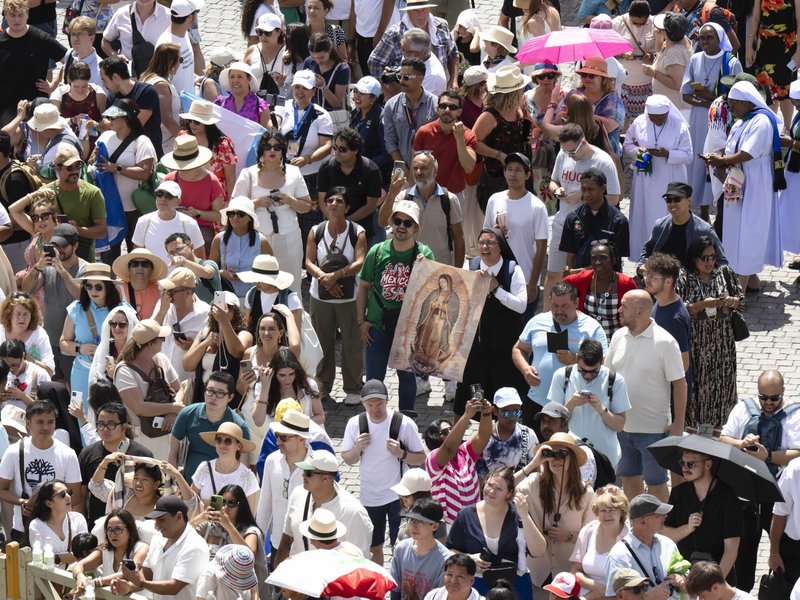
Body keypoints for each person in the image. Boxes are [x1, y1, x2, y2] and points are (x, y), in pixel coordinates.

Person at [720, 370, 800, 591]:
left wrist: (769, 457)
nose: (768, 403)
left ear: (783, 392)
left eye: (774, 398)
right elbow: (723, 438)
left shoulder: (795, 415)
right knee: (743, 555)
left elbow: (798, 453)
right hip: (745, 493)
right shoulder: (744, 409)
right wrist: (741, 444)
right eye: (763, 397)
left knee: (784, 552)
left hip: (778, 493)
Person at [606, 289, 687, 503]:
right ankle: (635, 519)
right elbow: (607, 376)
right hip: (622, 428)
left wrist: (678, 424)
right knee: (629, 478)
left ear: (640, 312)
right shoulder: (618, 336)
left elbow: (680, 384)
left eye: (624, 306)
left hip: (653, 431)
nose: (619, 310)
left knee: (656, 483)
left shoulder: (665, 342)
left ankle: (661, 523)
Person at [704, 80, 785, 294]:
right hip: (738, 181)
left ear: (745, 101)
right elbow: (732, 148)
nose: (731, 109)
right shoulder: (742, 122)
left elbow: (748, 153)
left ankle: (738, 292)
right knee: (735, 229)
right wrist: (721, 161)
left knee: (749, 230)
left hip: (756, 183)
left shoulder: (762, 121)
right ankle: (751, 281)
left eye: (733, 104)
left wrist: (723, 161)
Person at [356, 201, 434, 416]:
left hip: (408, 329)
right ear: (391, 222)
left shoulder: (425, 253)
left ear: (415, 227)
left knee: (407, 377)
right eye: (398, 221)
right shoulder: (377, 251)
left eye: (407, 223)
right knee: (374, 380)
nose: (401, 226)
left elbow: (432, 293)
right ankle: (372, 420)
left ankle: (407, 420)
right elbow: (363, 286)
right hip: (377, 325)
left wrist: (424, 269)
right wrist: (361, 321)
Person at [341, 379, 426, 564]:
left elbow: (421, 458)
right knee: (373, 548)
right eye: (369, 404)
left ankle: (398, 579)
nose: (375, 409)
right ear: (363, 403)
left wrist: (401, 453)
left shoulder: (403, 423)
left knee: (403, 545)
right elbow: (347, 459)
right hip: (370, 497)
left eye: (379, 403)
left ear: (387, 400)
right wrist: (357, 448)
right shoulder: (356, 424)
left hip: (399, 497)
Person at [453, 228, 528, 418]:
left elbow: (521, 306)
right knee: (470, 394)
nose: (485, 247)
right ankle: (459, 432)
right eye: (482, 243)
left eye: (491, 243)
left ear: (500, 247)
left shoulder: (513, 270)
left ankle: (501, 430)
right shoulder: (472, 266)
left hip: (504, 350)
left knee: (502, 395)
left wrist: (496, 289)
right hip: (476, 350)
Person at [544, 125, 621, 309]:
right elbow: (553, 181)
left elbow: (614, 198)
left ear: (584, 142)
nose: (569, 155)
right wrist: (557, 190)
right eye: (565, 151)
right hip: (562, 222)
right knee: (553, 273)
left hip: (589, 229)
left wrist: (584, 195)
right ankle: (546, 317)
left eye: (572, 151)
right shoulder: (564, 154)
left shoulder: (602, 161)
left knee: (584, 276)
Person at [511, 281, 608, 427]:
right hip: (537, 402)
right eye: (555, 305)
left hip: (574, 406)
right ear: (550, 300)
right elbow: (518, 349)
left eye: (565, 306)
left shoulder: (592, 328)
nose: (559, 311)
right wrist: (526, 370)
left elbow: (603, 363)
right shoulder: (537, 321)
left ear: (576, 302)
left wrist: (575, 360)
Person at [305, 186, 367, 404]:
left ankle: (354, 387)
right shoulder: (316, 230)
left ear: (347, 207)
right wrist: (325, 278)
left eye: (339, 201)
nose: (333, 204)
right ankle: (322, 386)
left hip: (350, 298)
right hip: (320, 297)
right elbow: (308, 262)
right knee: (322, 342)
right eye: (330, 200)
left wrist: (336, 276)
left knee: (352, 342)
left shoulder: (357, 231)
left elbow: (360, 261)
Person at [232, 130, 313, 293]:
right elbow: (234, 207)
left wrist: (290, 200)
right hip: (258, 238)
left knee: (291, 285)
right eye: (268, 147)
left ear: (283, 151)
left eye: (277, 147)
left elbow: (307, 206)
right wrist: (257, 203)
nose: (272, 151)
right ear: (262, 150)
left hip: (289, 237)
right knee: (260, 285)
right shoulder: (248, 174)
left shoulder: (294, 172)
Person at [446, 466, 545, 598]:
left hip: (514, 587)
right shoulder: (465, 515)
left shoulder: (518, 513)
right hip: (477, 586)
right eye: (489, 485)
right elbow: (449, 550)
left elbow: (539, 551)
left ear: (509, 493)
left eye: (499, 488)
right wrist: (468, 558)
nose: (491, 491)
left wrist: (525, 515)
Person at [675, 238, 743, 428]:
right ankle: (697, 423)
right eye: (704, 258)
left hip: (723, 338)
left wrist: (731, 301)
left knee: (724, 379)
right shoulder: (684, 278)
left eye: (713, 257)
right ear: (694, 258)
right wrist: (702, 305)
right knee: (700, 380)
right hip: (698, 340)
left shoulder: (725, 273)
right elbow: (679, 309)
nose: (710, 262)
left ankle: (724, 423)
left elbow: (741, 300)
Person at [516, 433, 596, 591]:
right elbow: (503, 490)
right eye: (550, 454)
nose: (556, 459)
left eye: (562, 454)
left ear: (572, 459)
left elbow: (592, 537)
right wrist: (533, 464)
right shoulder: (534, 482)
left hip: (568, 575)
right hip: (537, 571)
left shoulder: (586, 493)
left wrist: (568, 536)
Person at [681, 23, 742, 216]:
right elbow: (685, 94)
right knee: (700, 164)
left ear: (720, 39)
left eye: (710, 37)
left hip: (723, 121)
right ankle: (704, 210)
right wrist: (710, 103)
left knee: (720, 162)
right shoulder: (695, 59)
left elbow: (738, 96)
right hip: (699, 120)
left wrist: (709, 97)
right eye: (702, 38)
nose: (705, 41)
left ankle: (724, 211)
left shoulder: (731, 63)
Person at [0, 400, 82, 543]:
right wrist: (23, 502)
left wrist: (48, 507)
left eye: (50, 422)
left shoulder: (67, 454)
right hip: (23, 528)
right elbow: (2, 489)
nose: (46, 427)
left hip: (57, 530)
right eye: (40, 422)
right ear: (28, 423)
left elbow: (76, 496)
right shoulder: (14, 452)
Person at [623, 95, 693, 258]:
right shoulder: (640, 122)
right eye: (653, 118)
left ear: (668, 113)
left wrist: (668, 154)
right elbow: (627, 144)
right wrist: (640, 152)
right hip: (645, 181)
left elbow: (688, 155)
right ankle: (645, 257)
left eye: (661, 118)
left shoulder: (679, 126)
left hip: (670, 178)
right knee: (644, 218)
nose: (658, 121)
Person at [277, 448, 374, 561]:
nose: (303, 475)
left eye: (308, 473)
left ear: (325, 478)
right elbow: (286, 540)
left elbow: (361, 561)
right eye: (303, 470)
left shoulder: (355, 513)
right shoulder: (298, 493)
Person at [483, 153, 548, 319]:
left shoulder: (537, 206)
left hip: (524, 278)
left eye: (518, 170)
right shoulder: (494, 200)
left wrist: (533, 283)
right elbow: (484, 238)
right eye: (509, 169)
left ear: (527, 175)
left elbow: (541, 248)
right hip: (497, 276)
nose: (513, 174)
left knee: (522, 327)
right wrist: (496, 233)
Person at [19, 223, 86, 383]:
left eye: (63, 246)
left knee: (74, 388)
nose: (59, 250)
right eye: (55, 246)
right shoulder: (47, 267)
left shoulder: (85, 268)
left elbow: (81, 296)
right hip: (50, 341)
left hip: (72, 342)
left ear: (75, 246)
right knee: (54, 387)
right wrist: (37, 267)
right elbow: (26, 291)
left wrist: (62, 271)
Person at [548, 339, 629, 468]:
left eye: (594, 372)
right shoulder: (561, 376)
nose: (588, 375)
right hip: (570, 457)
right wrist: (571, 404)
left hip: (606, 459)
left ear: (601, 361)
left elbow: (619, 425)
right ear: (577, 358)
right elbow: (553, 423)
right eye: (583, 370)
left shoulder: (615, 380)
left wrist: (600, 409)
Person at [663, 449, 742, 581]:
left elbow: (731, 549)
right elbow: (665, 535)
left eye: (691, 464)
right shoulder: (678, 493)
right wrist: (687, 528)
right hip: (683, 576)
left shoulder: (728, 497)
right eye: (682, 463)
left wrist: (716, 583)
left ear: (708, 464)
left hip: (716, 576)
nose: (685, 468)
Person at [94, 100, 157, 263]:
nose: (109, 121)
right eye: (108, 118)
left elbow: (144, 172)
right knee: (109, 258)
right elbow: (94, 163)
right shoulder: (105, 137)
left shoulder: (142, 141)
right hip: (109, 207)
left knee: (135, 256)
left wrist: (116, 168)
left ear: (126, 118)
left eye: (113, 118)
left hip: (133, 209)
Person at [112, 495, 209, 600]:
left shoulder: (195, 546)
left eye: (161, 520)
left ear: (179, 516)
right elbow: (147, 573)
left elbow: (174, 587)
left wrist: (141, 583)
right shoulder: (157, 538)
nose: (157, 525)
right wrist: (129, 586)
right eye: (156, 520)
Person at [380, 150, 465, 268]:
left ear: (435, 172)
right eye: (415, 168)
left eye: (424, 168)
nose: (418, 172)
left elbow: (459, 238)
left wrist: (457, 272)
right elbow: (383, 222)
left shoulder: (449, 200)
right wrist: (392, 193)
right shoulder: (403, 197)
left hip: (439, 268)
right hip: (408, 267)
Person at [114, 319, 185, 461]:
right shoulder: (124, 371)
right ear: (150, 344)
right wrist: (172, 407)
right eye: (161, 339)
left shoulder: (162, 359)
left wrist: (172, 413)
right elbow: (139, 408)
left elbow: (179, 389)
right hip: (141, 437)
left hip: (169, 432)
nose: (164, 341)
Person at [78, 402, 153, 528]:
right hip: (97, 525)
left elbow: (150, 494)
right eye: (101, 424)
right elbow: (82, 494)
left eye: (111, 424)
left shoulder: (142, 455)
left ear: (124, 426)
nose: (105, 429)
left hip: (133, 525)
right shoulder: (88, 453)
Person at [168, 372, 251, 484]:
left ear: (230, 397)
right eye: (210, 391)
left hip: (224, 486)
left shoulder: (239, 426)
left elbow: (243, 466)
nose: (213, 397)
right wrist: (173, 481)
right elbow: (173, 452)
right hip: (189, 483)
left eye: (220, 393)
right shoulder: (187, 414)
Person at [190, 483, 268, 599]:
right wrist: (200, 518)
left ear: (241, 506)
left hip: (237, 592)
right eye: (222, 502)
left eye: (232, 503)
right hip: (206, 586)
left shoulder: (250, 531)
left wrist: (228, 526)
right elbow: (184, 536)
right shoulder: (209, 527)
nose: (225, 507)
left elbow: (249, 554)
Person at [60, 263, 123, 405]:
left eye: (98, 287)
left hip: (112, 374)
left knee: (111, 414)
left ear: (108, 287)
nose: (93, 290)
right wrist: (80, 348)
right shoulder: (76, 309)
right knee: (80, 413)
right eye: (88, 286)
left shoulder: (123, 310)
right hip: (82, 373)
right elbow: (63, 343)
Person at [255, 409, 313, 562]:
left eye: (284, 437)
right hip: (277, 544)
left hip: (307, 548)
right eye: (277, 435)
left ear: (301, 438)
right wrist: (257, 542)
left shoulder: (317, 466)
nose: (277, 442)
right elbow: (265, 504)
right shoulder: (271, 461)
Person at [604, 494, 688, 599]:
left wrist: (681, 579)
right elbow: (612, 598)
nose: (665, 516)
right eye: (658, 515)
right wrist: (646, 597)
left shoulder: (668, 544)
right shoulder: (619, 555)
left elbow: (687, 584)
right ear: (643, 522)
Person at [424, 397, 492, 525]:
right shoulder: (432, 460)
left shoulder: (464, 451)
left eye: (452, 428)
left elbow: (483, 438)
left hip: (474, 521)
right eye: (447, 431)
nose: (452, 431)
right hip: (449, 526)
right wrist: (466, 416)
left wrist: (487, 414)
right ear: (436, 437)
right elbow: (448, 448)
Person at [635, 182, 728, 274]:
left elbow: (722, 262)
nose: (672, 203)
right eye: (668, 200)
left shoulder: (704, 230)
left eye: (677, 199)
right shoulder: (660, 225)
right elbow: (647, 250)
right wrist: (640, 267)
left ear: (689, 200)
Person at [0, 0, 67, 126]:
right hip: (5, 108)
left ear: (27, 15)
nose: (16, 20)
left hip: (35, 106)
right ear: (5, 15)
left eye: (20, 15)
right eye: (12, 15)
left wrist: (55, 85)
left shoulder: (41, 39)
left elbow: (70, 60)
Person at [473, 65, 530, 210]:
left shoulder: (518, 109)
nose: (523, 91)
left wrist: (531, 136)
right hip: (497, 177)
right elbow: (474, 142)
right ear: (513, 93)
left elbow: (531, 128)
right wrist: (498, 155)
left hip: (520, 173)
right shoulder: (489, 116)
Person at [367, 0, 459, 88]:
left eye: (424, 9)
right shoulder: (394, 34)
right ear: (408, 12)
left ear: (429, 10)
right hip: (406, 92)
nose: (421, 14)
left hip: (437, 85)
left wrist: (453, 80)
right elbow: (374, 62)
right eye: (416, 11)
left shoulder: (442, 26)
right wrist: (389, 88)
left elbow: (453, 54)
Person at [316, 128, 382, 244]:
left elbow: (371, 205)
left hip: (361, 231)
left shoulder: (371, 170)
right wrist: (335, 221)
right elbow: (322, 201)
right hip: (332, 229)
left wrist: (346, 223)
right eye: (335, 148)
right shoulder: (326, 168)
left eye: (343, 149)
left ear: (355, 150)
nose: (337, 152)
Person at [560, 170, 630, 277]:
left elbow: (613, 261)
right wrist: (570, 276)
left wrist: (579, 272)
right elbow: (571, 255)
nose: (586, 194)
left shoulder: (619, 221)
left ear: (603, 188)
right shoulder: (573, 218)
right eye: (583, 189)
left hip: (607, 281)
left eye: (591, 189)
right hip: (579, 281)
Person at [162, 135, 225, 252]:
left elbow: (219, 215)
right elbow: (160, 208)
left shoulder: (212, 181)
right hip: (171, 231)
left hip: (201, 234)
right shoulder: (169, 179)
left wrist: (198, 213)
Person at [42, 147, 107, 261]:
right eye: (70, 168)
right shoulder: (45, 193)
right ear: (57, 168)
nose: (75, 171)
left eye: (78, 166)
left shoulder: (93, 193)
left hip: (83, 259)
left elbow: (102, 231)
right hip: (52, 259)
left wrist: (75, 230)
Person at [563, 241, 636, 340]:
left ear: (613, 260)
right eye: (594, 258)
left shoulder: (626, 284)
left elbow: (636, 314)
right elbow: (562, 286)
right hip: (586, 342)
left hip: (616, 342)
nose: (597, 262)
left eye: (603, 258)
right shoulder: (584, 279)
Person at [569, 485, 629, 598]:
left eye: (612, 510)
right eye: (603, 510)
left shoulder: (629, 536)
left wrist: (605, 593)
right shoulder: (587, 531)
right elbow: (574, 570)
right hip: (585, 594)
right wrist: (595, 588)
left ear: (621, 511)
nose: (607, 515)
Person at [72, 508, 150, 594]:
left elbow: (128, 574)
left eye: (118, 529)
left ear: (130, 532)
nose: (112, 534)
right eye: (109, 529)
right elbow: (79, 565)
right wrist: (80, 577)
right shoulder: (104, 550)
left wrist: (97, 582)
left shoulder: (142, 548)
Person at [99, 56, 163, 158]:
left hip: (148, 157)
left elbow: (133, 126)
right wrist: (113, 123)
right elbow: (104, 121)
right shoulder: (112, 97)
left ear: (115, 77)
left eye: (104, 80)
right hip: (121, 158)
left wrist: (110, 124)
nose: (103, 84)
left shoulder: (146, 92)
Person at [561, 57, 625, 157]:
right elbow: (560, 119)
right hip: (574, 150)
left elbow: (609, 127)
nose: (587, 78)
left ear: (603, 78)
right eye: (584, 75)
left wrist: (583, 112)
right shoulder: (575, 93)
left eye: (591, 76)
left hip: (604, 153)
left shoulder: (612, 98)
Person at [210, 197, 272, 299]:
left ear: (250, 218)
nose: (235, 217)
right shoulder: (218, 239)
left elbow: (271, 273)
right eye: (231, 214)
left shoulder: (262, 241)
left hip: (254, 297)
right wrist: (221, 273)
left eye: (240, 214)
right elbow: (210, 269)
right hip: (225, 297)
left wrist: (247, 276)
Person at [131, 181, 206, 265]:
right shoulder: (143, 221)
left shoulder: (190, 224)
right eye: (159, 194)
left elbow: (200, 260)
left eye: (169, 196)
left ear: (178, 202)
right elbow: (137, 256)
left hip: (181, 273)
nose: (163, 199)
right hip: (154, 274)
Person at [383, 57, 438, 170]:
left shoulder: (435, 105)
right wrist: (404, 169)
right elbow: (390, 141)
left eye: (406, 77)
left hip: (429, 170)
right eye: (400, 77)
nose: (401, 81)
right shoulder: (391, 105)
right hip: (403, 170)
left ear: (420, 78)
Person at [390, 498, 451, 600]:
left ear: (435, 526)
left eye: (420, 522)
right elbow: (395, 589)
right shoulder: (401, 549)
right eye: (411, 520)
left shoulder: (445, 560)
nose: (414, 526)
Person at [190, 422, 258, 509]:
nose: (222, 445)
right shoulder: (204, 468)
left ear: (238, 446)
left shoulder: (248, 477)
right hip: (204, 518)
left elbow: (250, 514)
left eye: (228, 441)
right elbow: (191, 502)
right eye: (218, 440)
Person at [476, 388, 539, 480]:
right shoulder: (484, 435)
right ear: (495, 411)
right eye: (506, 413)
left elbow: (535, 470)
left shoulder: (529, 435)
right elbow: (479, 474)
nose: (512, 417)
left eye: (516, 412)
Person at [179, 100, 238, 197]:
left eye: (196, 122)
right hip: (188, 193)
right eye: (189, 121)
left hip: (216, 197)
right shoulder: (183, 138)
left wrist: (231, 202)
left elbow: (230, 178)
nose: (192, 124)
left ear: (207, 123)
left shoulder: (223, 145)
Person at [612, 1, 656, 126]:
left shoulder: (655, 24)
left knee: (644, 120)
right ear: (629, 15)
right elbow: (608, 51)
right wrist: (622, 53)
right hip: (624, 80)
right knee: (622, 119)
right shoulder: (617, 23)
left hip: (647, 81)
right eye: (635, 23)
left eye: (642, 23)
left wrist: (652, 55)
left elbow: (662, 49)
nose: (638, 26)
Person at [28, 479, 89, 564]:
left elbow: (85, 553)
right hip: (48, 572)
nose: (68, 496)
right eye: (62, 494)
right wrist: (70, 556)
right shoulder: (36, 525)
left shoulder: (78, 519)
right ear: (49, 503)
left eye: (69, 492)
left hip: (75, 572)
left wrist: (55, 558)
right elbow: (40, 558)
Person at [138, 44, 182, 157]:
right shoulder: (160, 85)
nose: (180, 63)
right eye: (180, 60)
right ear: (171, 62)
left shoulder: (146, 77)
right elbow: (166, 119)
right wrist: (185, 139)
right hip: (166, 144)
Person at [349, 76, 390, 195]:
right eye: (356, 91)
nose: (357, 96)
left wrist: (362, 165)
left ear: (373, 98)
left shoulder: (381, 118)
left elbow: (387, 154)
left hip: (377, 177)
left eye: (362, 93)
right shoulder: (355, 113)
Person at [101, 0, 170, 69]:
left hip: (157, 72)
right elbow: (105, 41)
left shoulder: (168, 16)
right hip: (127, 73)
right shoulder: (121, 14)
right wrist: (115, 56)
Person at [644, 13, 692, 111]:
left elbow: (677, 84)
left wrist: (654, 73)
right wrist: (659, 38)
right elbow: (661, 55)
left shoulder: (675, 53)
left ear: (667, 32)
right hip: (669, 106)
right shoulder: (676, 40)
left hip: (676, 108)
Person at [154, 0, 201, 96]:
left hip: (188, 98)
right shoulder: (167, 45)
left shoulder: (184, 33)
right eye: (196, 12)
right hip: (176, 102)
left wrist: (193, 77)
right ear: (190, 17)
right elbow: (161, 79)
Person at [0, 293, 55, 375]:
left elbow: (50, 371)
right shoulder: (1, 331)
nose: (22, 318)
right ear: (9, 314)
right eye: (18, 314)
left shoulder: (39, 334)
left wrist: (31, 361)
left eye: (25, 314)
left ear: (32, 316)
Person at [88, 305, 140, 388]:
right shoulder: (104, 347)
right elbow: (95, 376)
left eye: (122, 325)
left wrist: (117, 374)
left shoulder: (138, 349)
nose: (117, 328)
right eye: (113, 324)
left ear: (131, 325)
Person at [112, 248, 168, 321]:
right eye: (135, 264)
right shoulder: (118, 291)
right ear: (129, 269)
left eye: (145, 264)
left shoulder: (160, 291)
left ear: (151, 270)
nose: (140, 268)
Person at [164, 233, 220, 304]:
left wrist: (184, 262)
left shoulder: (207, 264)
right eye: (171, 253)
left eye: (178, 249)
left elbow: (207, 273)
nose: (175, 254)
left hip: (212, 310)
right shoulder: (178, 274)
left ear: (191, 247)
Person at [214, 62, 271, 128]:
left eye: (240, 77)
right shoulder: (220, 102)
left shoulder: (260, 106)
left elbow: (265, 133)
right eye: (232, 77)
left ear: (249, 79)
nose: (235, 80)